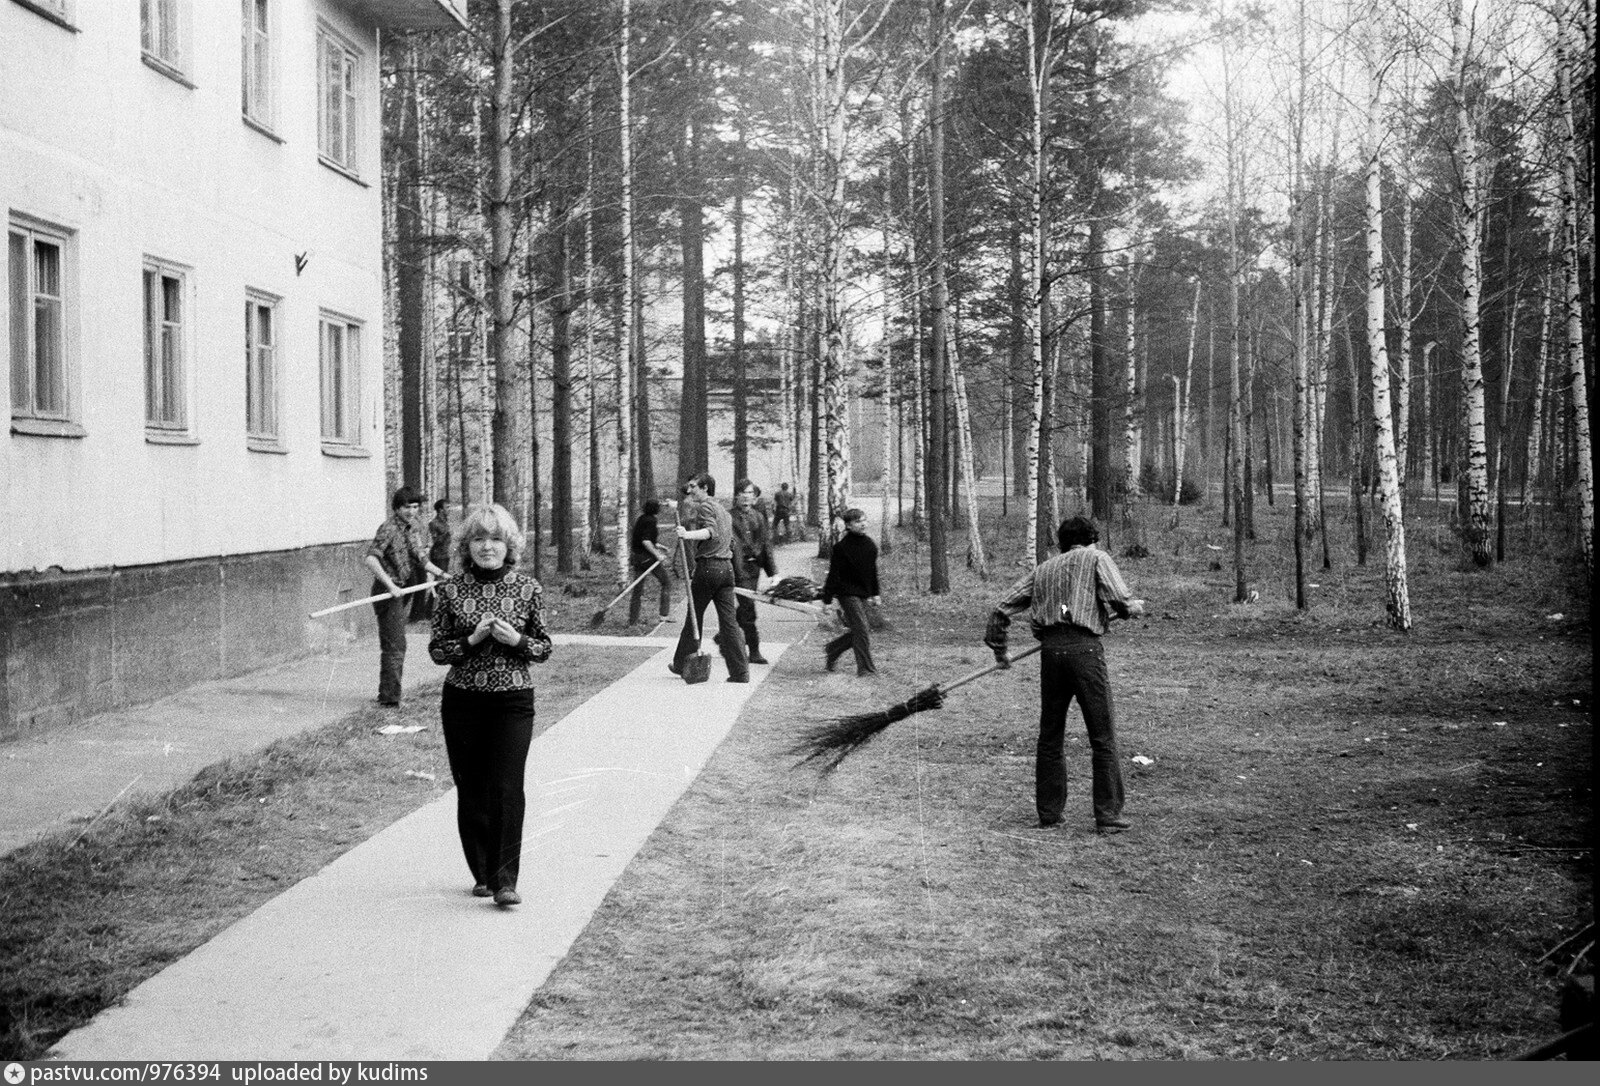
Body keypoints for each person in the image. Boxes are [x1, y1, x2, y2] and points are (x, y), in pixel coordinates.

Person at [984, 515, 1145, 834]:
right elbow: (1120, 600)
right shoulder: (1097, 557)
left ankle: (1049, 814)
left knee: (1050, 736)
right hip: (1084, 651)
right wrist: (1132, 608)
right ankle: (1108, 815)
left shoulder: (1044, 568)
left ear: (1063, 542)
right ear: (1091, 539)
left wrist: (1000, 651)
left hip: (1051, 654)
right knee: (1102, 735)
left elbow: (1002, 609)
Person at [427, 503, 553, 907]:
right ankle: (481, 872)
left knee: (507, 787)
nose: (487, 547)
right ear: (467, 546)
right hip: (463, 700)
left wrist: (515, 640)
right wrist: (472, 641)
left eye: (496, 539)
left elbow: (542, 648)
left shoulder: (528, 588)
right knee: (473, 787)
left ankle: (505, 881)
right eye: (479, 539)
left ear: (509, 545)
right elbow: (437, 651)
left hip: (512, 701)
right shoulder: (449, 589)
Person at [364, 486, 446, 707]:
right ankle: (389, 699)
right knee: (396, 645)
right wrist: (390, 586)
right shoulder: (388, 528)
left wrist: (441, 574)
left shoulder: (411, 529)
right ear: (397, 507)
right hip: (387, 592)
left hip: (401, 590)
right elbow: (371, 560)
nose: (411, 511)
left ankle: (388, 694)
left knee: (396, 645)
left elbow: (421, 558)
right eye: (406, 507)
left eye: (415, 506)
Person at [670, 472, 750, 683]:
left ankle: (681, 664)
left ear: (705, 488)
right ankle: (740, 672)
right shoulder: (724, 511)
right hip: (726, 570)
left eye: (694, 486)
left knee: (694, 617)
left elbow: (710, 532)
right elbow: (730, 542)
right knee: (729, 623)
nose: (690, 490)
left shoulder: (705, 506)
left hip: (708, 569)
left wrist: (686, 535)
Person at [820, 508, 880, 676]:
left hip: (863, 593)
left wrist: (875, 593)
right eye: (857, 521)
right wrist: (827, 600)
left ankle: (833, 649)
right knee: (862, 629)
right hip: (847, 594)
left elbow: (872, 572)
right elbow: (833, 575)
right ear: (848, 525)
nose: (863, 524)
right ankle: (866, 669)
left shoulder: (870, 545)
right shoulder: (841, 548)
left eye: (864, 520)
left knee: (859, 630)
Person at [730, 479, 778, 665]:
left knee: (745, 606)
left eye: (750, 493)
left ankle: (725, 631)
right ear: (736, 496)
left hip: (754, 568)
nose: (746, 497)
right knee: (748, 607)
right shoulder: (729, 517)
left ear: (754, 496)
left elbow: (766, 544)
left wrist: (773, 573)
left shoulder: (758, 516)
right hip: (737, 568)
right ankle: (755, 650)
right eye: (742, 493)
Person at [628, 498, 673, 625]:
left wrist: (660, 546)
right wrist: (658, 554)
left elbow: (645, 539)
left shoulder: (641, 519)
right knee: (666, 582)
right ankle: (664, 615)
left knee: (637, 589)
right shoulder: (651, 521)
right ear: (656, 509)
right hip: (646, 559)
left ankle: (633, 620)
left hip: (637, 557)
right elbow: (646, 541)